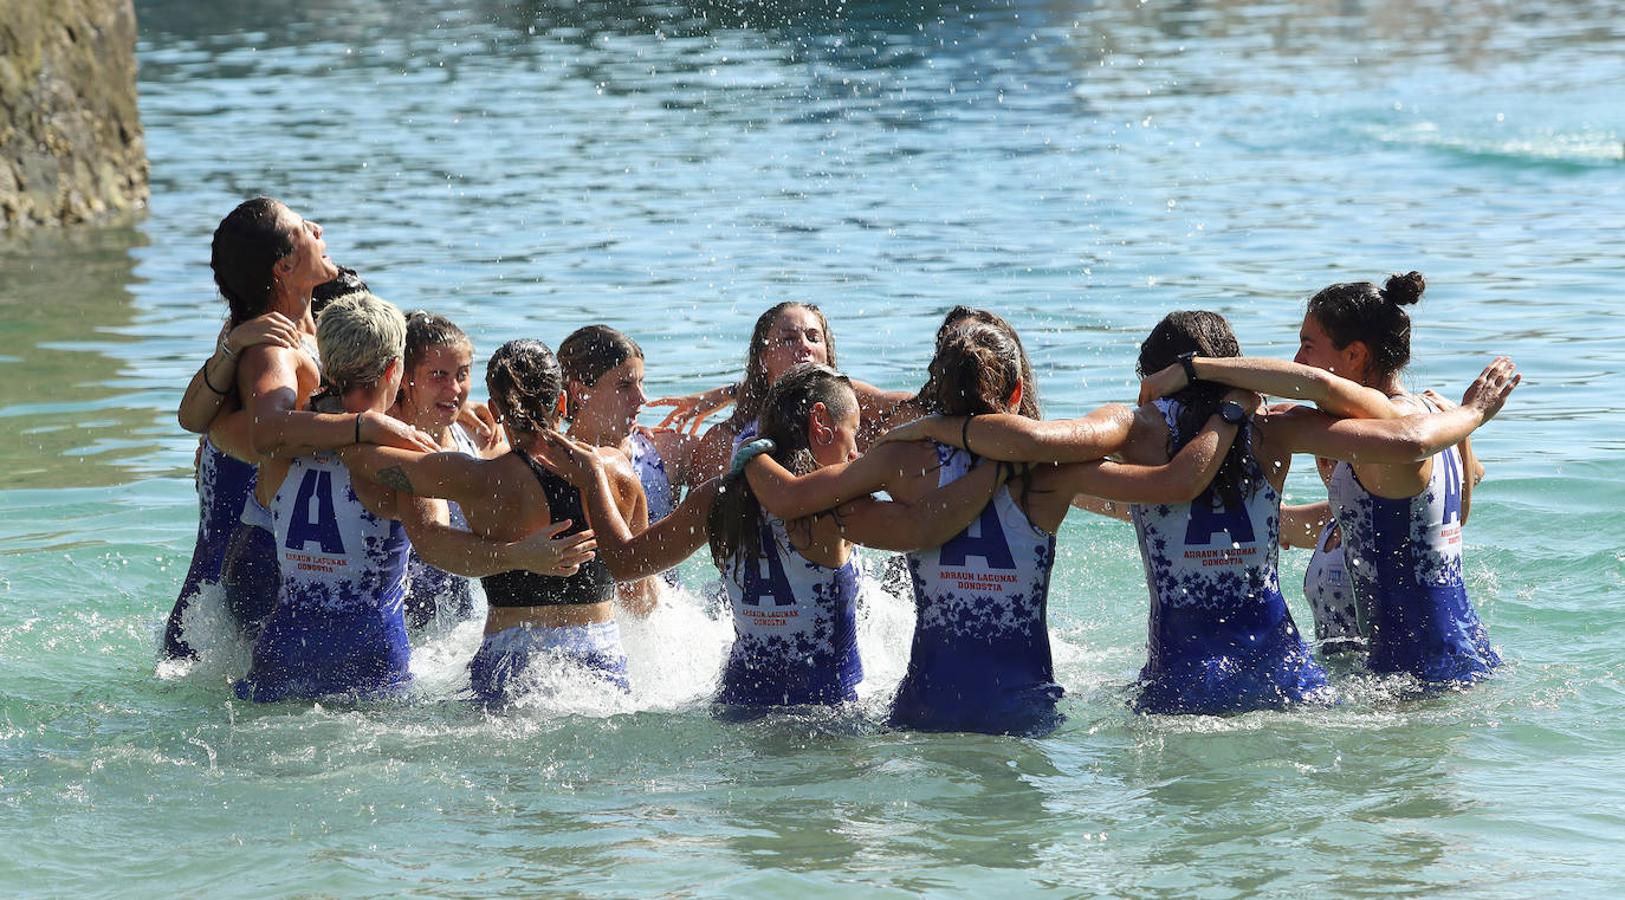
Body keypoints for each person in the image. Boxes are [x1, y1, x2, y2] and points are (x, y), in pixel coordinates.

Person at [743, 322, 1249, 732]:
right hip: (1021, 707)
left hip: (925, 707)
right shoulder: (1051, 473)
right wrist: (1229, 411)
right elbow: (1175, 483)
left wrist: (754, 454)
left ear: (936, 390)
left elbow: (804, 503)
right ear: (1016, 391)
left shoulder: (898, 463)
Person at [538, 362, 1014, 712]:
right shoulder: (836, 508)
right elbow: (922, 527)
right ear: (821, 425)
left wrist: (593, 481)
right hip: (828, 714)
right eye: (852, 436)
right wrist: (996, 468)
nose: (855, 451)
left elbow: (623, 563)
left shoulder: (717, 496)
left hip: (739, 707)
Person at [1139, 274, 1517, 684]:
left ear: (1354, 355)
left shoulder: (1397, 428)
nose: (1296, 360)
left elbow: (1315, 386)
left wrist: (1193, 370)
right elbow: (1446, 507)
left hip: (1414, 670)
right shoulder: (1436, 412)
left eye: (1308, 345)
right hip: (1465, 651)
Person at [236, 294, 592, 701]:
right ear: (396, 370)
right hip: (368, 666)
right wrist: (521, 554)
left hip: (279, 655)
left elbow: (248, 428)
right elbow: (439, 544)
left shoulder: (278, 447)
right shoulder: (401, 460)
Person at [339, 339, 648, 705]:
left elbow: (360, 457)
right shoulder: (616, 470)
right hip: (600, 656)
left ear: (495, 410)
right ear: (563, 402)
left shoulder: (479, 479)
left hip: (512, 660)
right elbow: (641, 598)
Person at [391, 311, 504, 630]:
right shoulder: (384, 441)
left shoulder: (475, 436)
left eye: (462, 374)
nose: (454, 389)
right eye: (438, 375)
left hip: (460, 628)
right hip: (401, 630)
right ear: (402, 376)